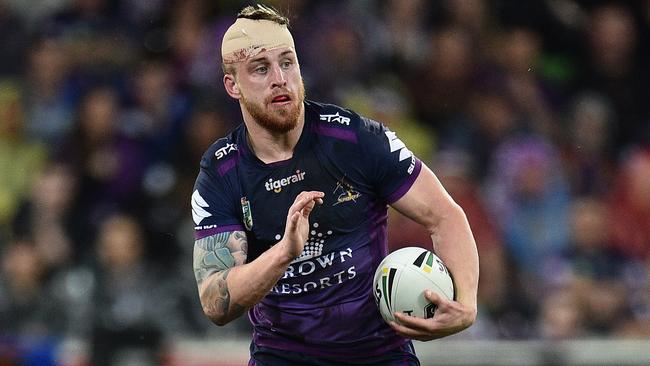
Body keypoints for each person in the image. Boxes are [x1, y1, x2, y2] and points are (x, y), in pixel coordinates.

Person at [190, 5, 479, 365]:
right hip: (282, 355)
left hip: (378, 352)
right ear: (232, 85)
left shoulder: (355, 139)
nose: (280, 78)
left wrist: (465, 304)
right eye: (260, 69)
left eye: (287, 62)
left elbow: (445, 215)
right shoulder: (221, 172)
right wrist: (284, 253)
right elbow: (214, 301)